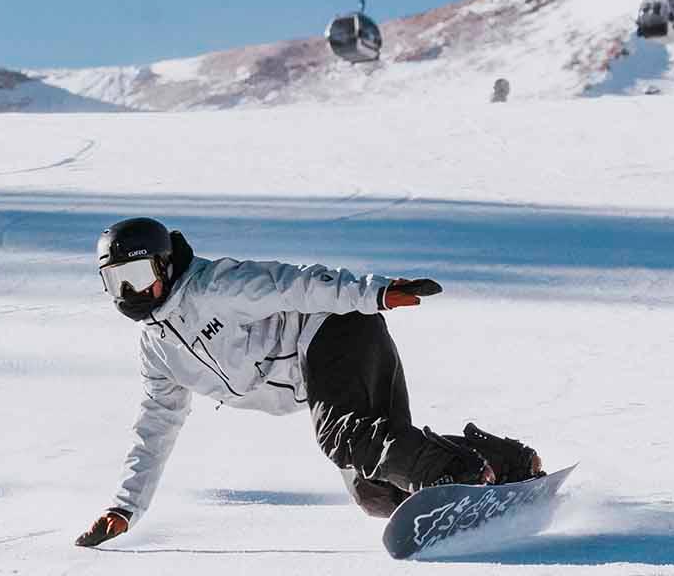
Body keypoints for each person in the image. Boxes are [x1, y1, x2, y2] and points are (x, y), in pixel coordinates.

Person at [76, 217, 540, 547]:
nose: (131, 294)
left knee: (345, 435)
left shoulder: (214, 286)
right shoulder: (157, 348)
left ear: (163, 266)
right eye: (117, 283)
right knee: (377, 494)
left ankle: (457, 473)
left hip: (335, 327)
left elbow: (295, 283)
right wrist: (124, 508)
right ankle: (504, 463)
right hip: (318, 373)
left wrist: (372, 293)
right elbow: (155, 428)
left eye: (138, 277)